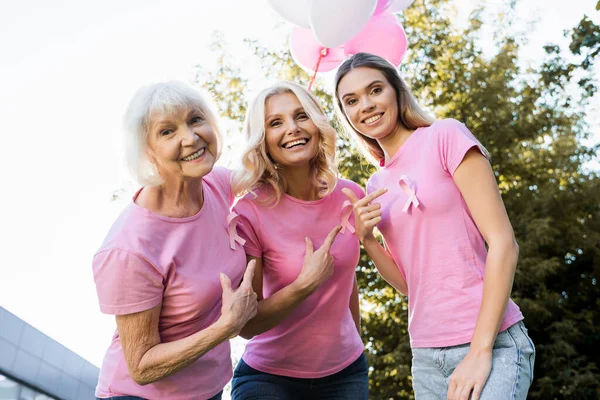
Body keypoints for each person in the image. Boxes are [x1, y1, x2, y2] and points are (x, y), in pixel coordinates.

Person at [333, 53, 535, 400]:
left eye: (375, 90)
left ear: (396, 91)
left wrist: (480, 350)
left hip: (492, 341)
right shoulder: (376, 184)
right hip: (426, 356)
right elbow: (410, 285)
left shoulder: (445, 136)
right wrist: (367, 240)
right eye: (351, 101)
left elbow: (504, 243)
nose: (365, 105)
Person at [92, 81, 258, 400]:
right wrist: (227, 326)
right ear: (146, 151)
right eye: (167, 132)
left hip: (208, 392)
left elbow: (266, 169)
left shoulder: (216, 184)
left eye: (195, 119)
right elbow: (141, 366)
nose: (190, 138)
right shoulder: (129, 247)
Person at [229, 81, 368, 400]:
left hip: (347, 375)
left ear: (317, 124)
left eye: (301, 116)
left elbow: (347, 280)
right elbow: (246, 325)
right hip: (269, 380)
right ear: (263, 140)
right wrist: (305, 284)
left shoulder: (350, 195)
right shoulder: (250, 210)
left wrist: (354, 344)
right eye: (276, 123)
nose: (292, 129)